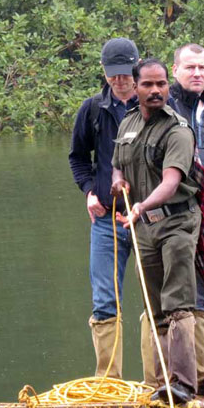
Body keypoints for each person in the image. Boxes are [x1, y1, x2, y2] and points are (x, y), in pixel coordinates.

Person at [138, 43, 204, 396]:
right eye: (190, 67)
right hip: (174, 216)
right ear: (175, 71)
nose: (197, 73)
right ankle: (165, 380)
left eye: (203, 67)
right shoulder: (165, 111)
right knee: (173, 299)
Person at [111, 58, 201, 403]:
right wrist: (118, 184)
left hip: (176, 222)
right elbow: (117, 165)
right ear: (135, 88)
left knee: (177, 302)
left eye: (161, 84)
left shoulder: (178, 129)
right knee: (155, 307)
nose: (155, 91)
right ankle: (164, 382)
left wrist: (142, 205)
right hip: (144, 227)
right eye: (147, 85)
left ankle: (183, 384)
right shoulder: (129, 123)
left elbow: (171, 181)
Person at [68, 37, 140, 378]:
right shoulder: (92, 109)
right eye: (113, 74)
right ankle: (108, 382)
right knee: (105, 302)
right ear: (104, 72)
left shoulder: (153, 106)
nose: (120, 80)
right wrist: (87, 192)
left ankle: (160, 380)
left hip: (149, 220)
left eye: (126, 73)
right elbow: (78, 159)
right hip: (106, 221)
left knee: (158, 300)